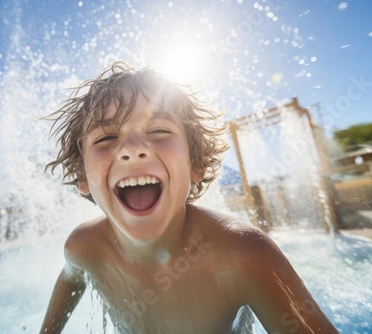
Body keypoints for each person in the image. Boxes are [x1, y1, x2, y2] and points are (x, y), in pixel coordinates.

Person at [39, 62, 338, 333]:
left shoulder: (243, 254)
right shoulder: (84, 247)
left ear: (196, 163)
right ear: (82, 177)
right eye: (106, 138)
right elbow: (70, 278)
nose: (131, 149)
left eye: (158, 130)